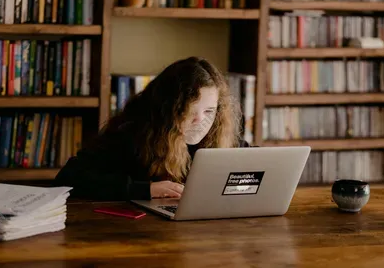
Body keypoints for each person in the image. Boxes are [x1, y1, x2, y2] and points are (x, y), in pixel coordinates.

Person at [54, 56, 252, 201]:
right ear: (167, 109)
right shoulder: (133, 134)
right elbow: (69, 178)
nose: (200, 120)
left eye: (209, 111)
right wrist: (145, 190)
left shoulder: (219, 134)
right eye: (189, 111)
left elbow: (260, 165)